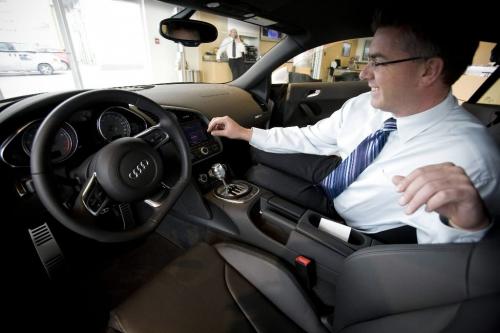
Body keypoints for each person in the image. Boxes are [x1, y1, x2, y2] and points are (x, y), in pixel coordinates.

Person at [207, 8, 500, 244]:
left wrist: (467, 223)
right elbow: (313, 138)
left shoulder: (468, 159)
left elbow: (439, 266)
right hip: (338, 173)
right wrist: (244, 133)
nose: (364, 73)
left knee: (251, 176)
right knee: (254, 155)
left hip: (350, 223)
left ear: (428, 70)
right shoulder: (365, 105)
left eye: (378, 62)